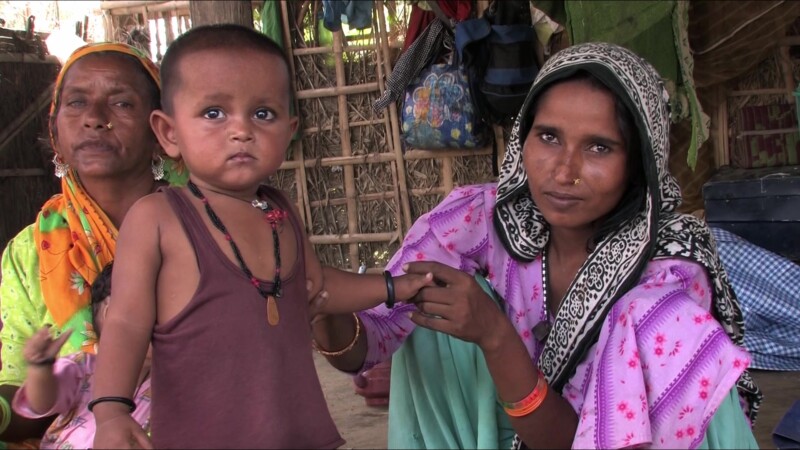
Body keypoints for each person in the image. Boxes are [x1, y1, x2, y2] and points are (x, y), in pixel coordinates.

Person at [311, 42, 762, 449]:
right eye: (548, 137)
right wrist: (322, 302)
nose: (564, 171)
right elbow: (367, 343)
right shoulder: (483, 217)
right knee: (435, 294)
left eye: (600, 148)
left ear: (639, 162)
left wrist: (494, 336)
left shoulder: (668, 272)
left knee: (658, 322)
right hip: (517, 427)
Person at [90, 24, 430, 449]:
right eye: (214, 113)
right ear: (169, 133)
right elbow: (124, 321)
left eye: (262, 114)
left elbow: (319, 286)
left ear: (289, 133)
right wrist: (110, 412)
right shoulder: (158, 218)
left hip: (296, 434)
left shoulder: (279, 211)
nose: (241, 130)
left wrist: (394, 286)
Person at [0, 43, 170, 444]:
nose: (94, 119)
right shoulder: (29, 254)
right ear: (55, 129)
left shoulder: (200, 227)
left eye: (122, 104)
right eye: (76, 102)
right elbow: (22, 400)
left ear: (161, 129)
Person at [12, 263, 152, 448]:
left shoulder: (177, 383)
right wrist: (40, 368)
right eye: (153, 309)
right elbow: (40, 404)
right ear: (109, 314)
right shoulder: (83, 367)